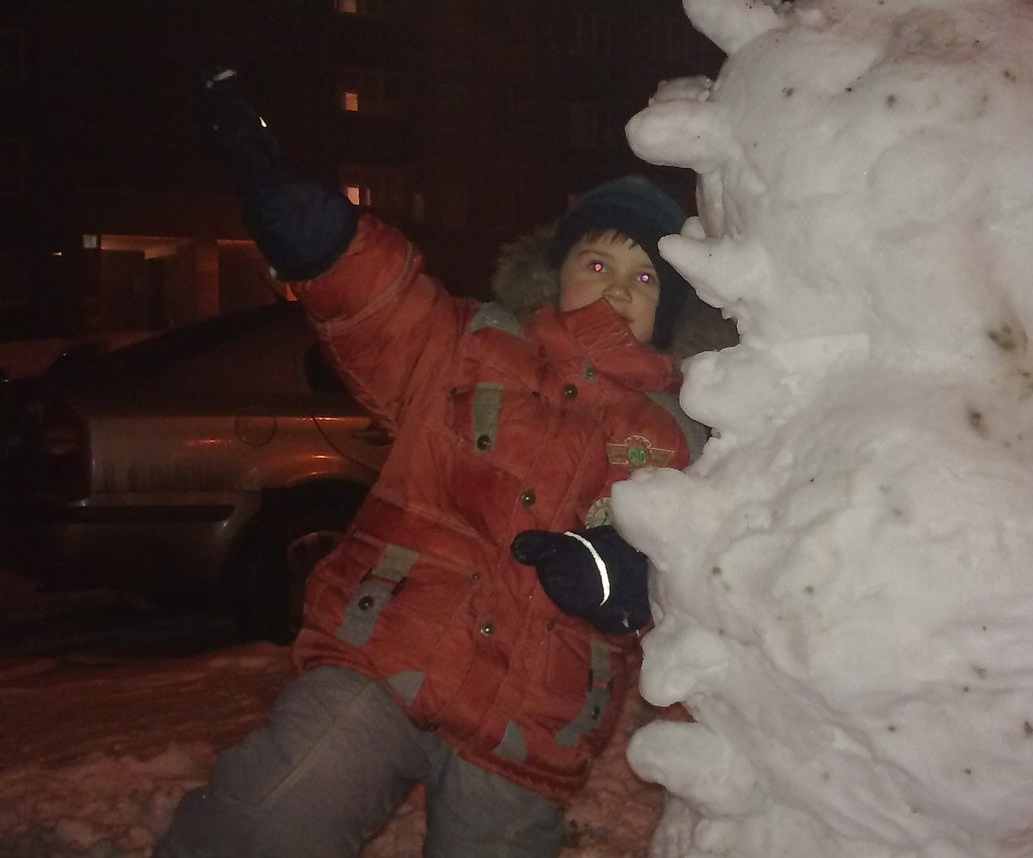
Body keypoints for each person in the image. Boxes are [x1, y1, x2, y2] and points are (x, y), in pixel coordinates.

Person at [154, 68, 706, 858]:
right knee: (275, 808)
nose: (617, 288)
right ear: (554, 274)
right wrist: (321, 239)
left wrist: (622, 578)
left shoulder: (677, 435)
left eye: (645, 278)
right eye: (597, 263)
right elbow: (382, 306)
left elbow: (696, 576)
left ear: (669, 312)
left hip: (533, 715)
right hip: (386, 649)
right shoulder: (471, 346)